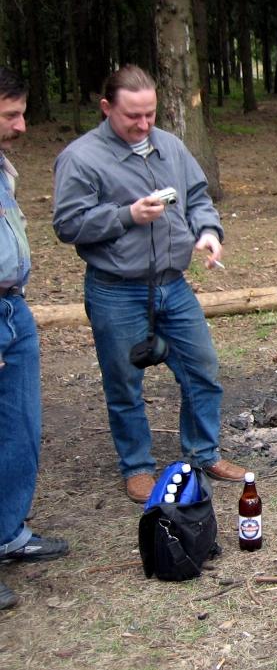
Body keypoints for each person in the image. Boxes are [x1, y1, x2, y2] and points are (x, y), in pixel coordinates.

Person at [53, 65, 247, 504]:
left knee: (202, 369)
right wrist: (127, 215)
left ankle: (203, 452)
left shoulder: (170, 147)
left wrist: (207, 231)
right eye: (132, 116)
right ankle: (137, 466)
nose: (143, 125)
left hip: (172, 285)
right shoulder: (81, 158)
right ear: (106, 108)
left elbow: (197, 198)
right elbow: (68, 224)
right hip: (116, 289)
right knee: (124, 382)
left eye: (150, 114)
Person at [0, 67, 69, 610]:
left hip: (12, 309)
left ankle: (8, 532)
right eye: (10, 115)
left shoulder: (2, 167)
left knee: (20, 429)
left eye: (21, 113)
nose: (23, 126)